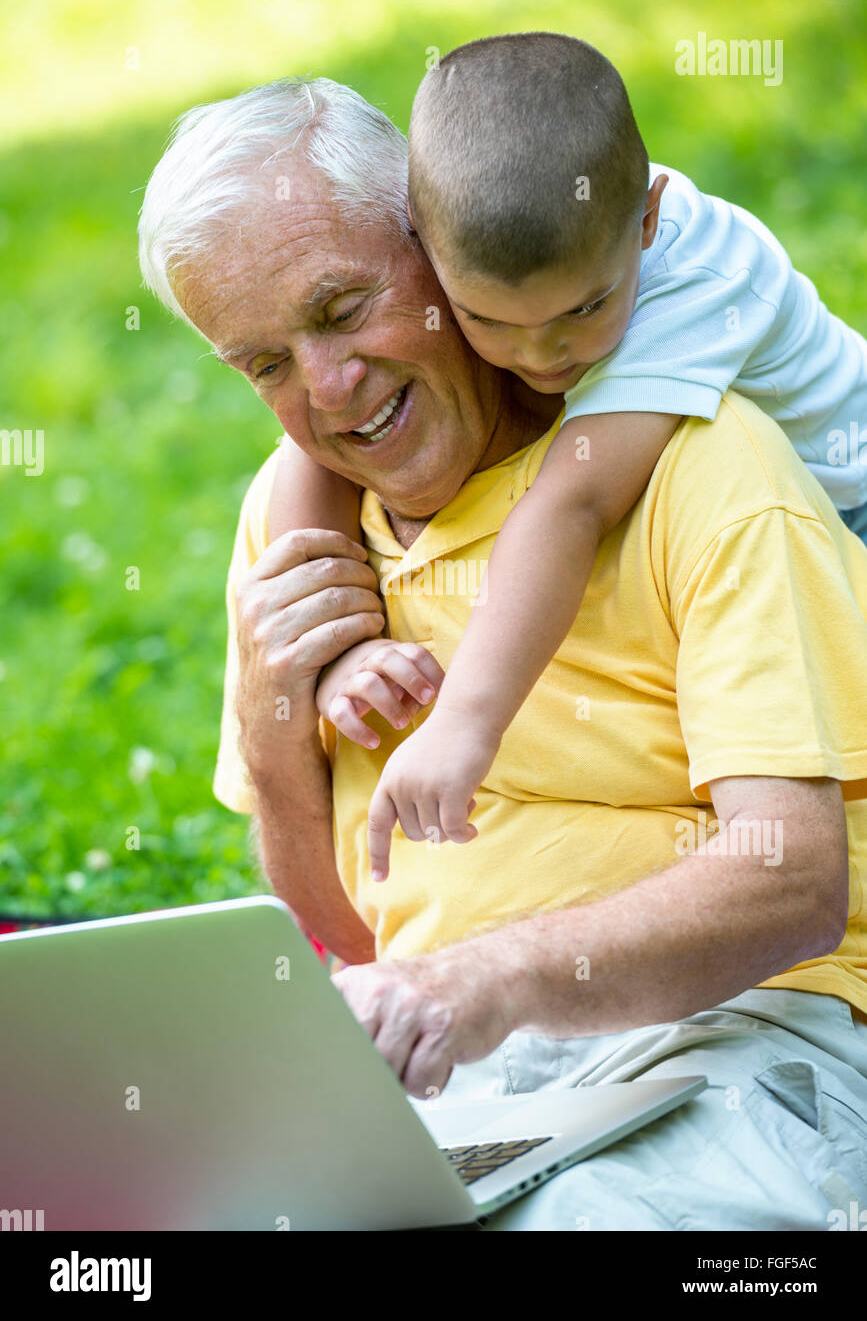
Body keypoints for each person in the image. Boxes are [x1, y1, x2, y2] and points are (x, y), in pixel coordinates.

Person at [138, 77, 867, 1230]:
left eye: (341, 310)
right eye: (265, 363)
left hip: (747, 1030)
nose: (328, 391)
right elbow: (352, 936)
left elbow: (794, 883)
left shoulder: (702, 462)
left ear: (432, 239)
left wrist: (488, 979)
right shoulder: (298, 540)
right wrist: (272, 717)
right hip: (467, 1075)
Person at [263, 34, 867, 876]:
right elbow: (319, 449)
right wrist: (338, 650)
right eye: (491, 324)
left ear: (648, 221)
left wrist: (466, 723)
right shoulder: (512, 262)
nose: (545, 356)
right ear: (422, 250)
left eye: (585, 310)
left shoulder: (698, 287)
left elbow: (569, 508)